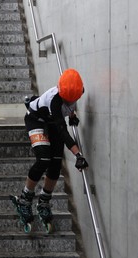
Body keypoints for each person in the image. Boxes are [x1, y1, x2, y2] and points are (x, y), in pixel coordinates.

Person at [12, 68, 89, 231]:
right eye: (66, 100)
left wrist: (73, 115)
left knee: (55, 163)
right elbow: (63, 132)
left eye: (72, 100)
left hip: (53, 121)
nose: (69, 102)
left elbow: (70, 105)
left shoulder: (77, 90)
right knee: (44, 159)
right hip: (36, 119)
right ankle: (24, 199)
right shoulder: (55, 102)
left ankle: (44, 201)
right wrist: (78, 155)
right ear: (61, 92)